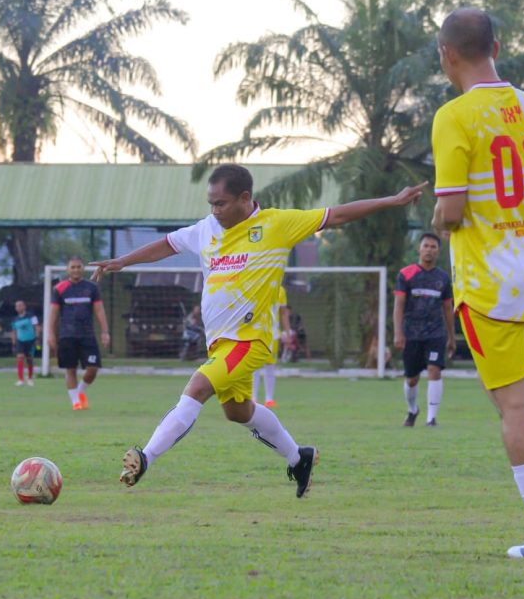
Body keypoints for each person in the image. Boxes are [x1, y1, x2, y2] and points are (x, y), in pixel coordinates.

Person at [92, 163, 426, 498]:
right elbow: (168, 243)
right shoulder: (206, 229)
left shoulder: (276, 225)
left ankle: (145, 457)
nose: (214, 210)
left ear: (244, 198)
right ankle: (299, 457)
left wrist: (392, 201)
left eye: (220, 203)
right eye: (210, 203)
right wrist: (123, 261)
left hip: (248, 341)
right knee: (238, 412)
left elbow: (335, 215)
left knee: (197, 388)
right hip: (219, 344)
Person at [432, 7, 524, 560]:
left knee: (511, 404)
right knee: (518, 394)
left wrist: (435, 222)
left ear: (447, 55)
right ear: (498, 44)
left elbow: (450, 210)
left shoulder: (455, 115)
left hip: (489, 276)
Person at [393, 233, 456, 427]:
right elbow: (399, 305)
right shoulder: (406, 274)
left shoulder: (443, 278)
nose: (429, 249)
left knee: (434, 370)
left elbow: (447, 307)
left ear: (438, 251)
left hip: (436, 333)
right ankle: (412, 409)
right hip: (411, 333)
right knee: (412, 379)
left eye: (433, 247)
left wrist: (451, 337)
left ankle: (431, 418)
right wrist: (398, 332)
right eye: (426, 246)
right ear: (419, 249)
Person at [48, 256, 111, 411]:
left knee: (93, 368)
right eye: (72, 267)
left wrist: (105, 331)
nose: (76, 269)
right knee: (70, 369)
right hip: (66, 335)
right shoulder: (60, 289)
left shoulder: (91, 288)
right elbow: (53, 313)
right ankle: (76, 403)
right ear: (67, 270)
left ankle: (80, 391)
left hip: (87, 335)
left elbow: (99, 310)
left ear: (82, 268)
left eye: (78, 267)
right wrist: (50, 333)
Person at [252, 288, 290, 408]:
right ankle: (253, 398)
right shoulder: (256, 285)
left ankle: (269, 399)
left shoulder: (280, 290)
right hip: (255, 333)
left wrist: (287, 332)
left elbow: (283, 313)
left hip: (272, 335)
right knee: (254, 366)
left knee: (270, 365)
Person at [10, 299, 41, 387]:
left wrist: (37, 338)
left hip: (30, 340)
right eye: (16, 306)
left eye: (20, 305)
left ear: (24, 306)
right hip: (20, 341)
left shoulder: (32, 316)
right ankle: (20, 379)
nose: (18, 307)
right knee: (20, 358)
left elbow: (37, 327)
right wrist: (13, 342)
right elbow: (13, 331)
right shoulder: (14, 319)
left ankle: (30, 378)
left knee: (29, 359)